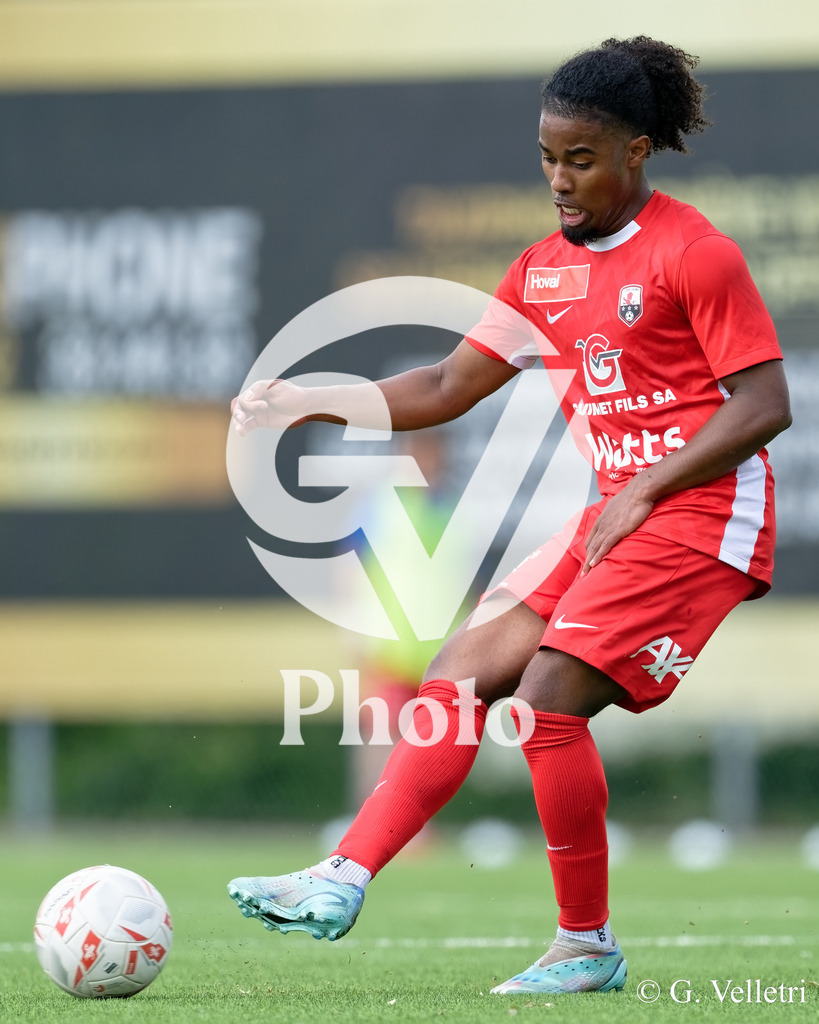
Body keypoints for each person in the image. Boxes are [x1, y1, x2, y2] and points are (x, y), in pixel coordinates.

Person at [227, 36, 791, 996]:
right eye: (546, 158)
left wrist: (645, 487)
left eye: (581, 159)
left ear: (635, 152)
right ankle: (342, 875)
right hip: (618, 514)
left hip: (703, 515)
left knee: (545, 701)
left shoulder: (696, 254)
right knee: (457, 671)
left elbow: (764, 405)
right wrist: (308, 401)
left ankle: (585, 946)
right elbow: (446, 385)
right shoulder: (541, 272)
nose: (559, 181)